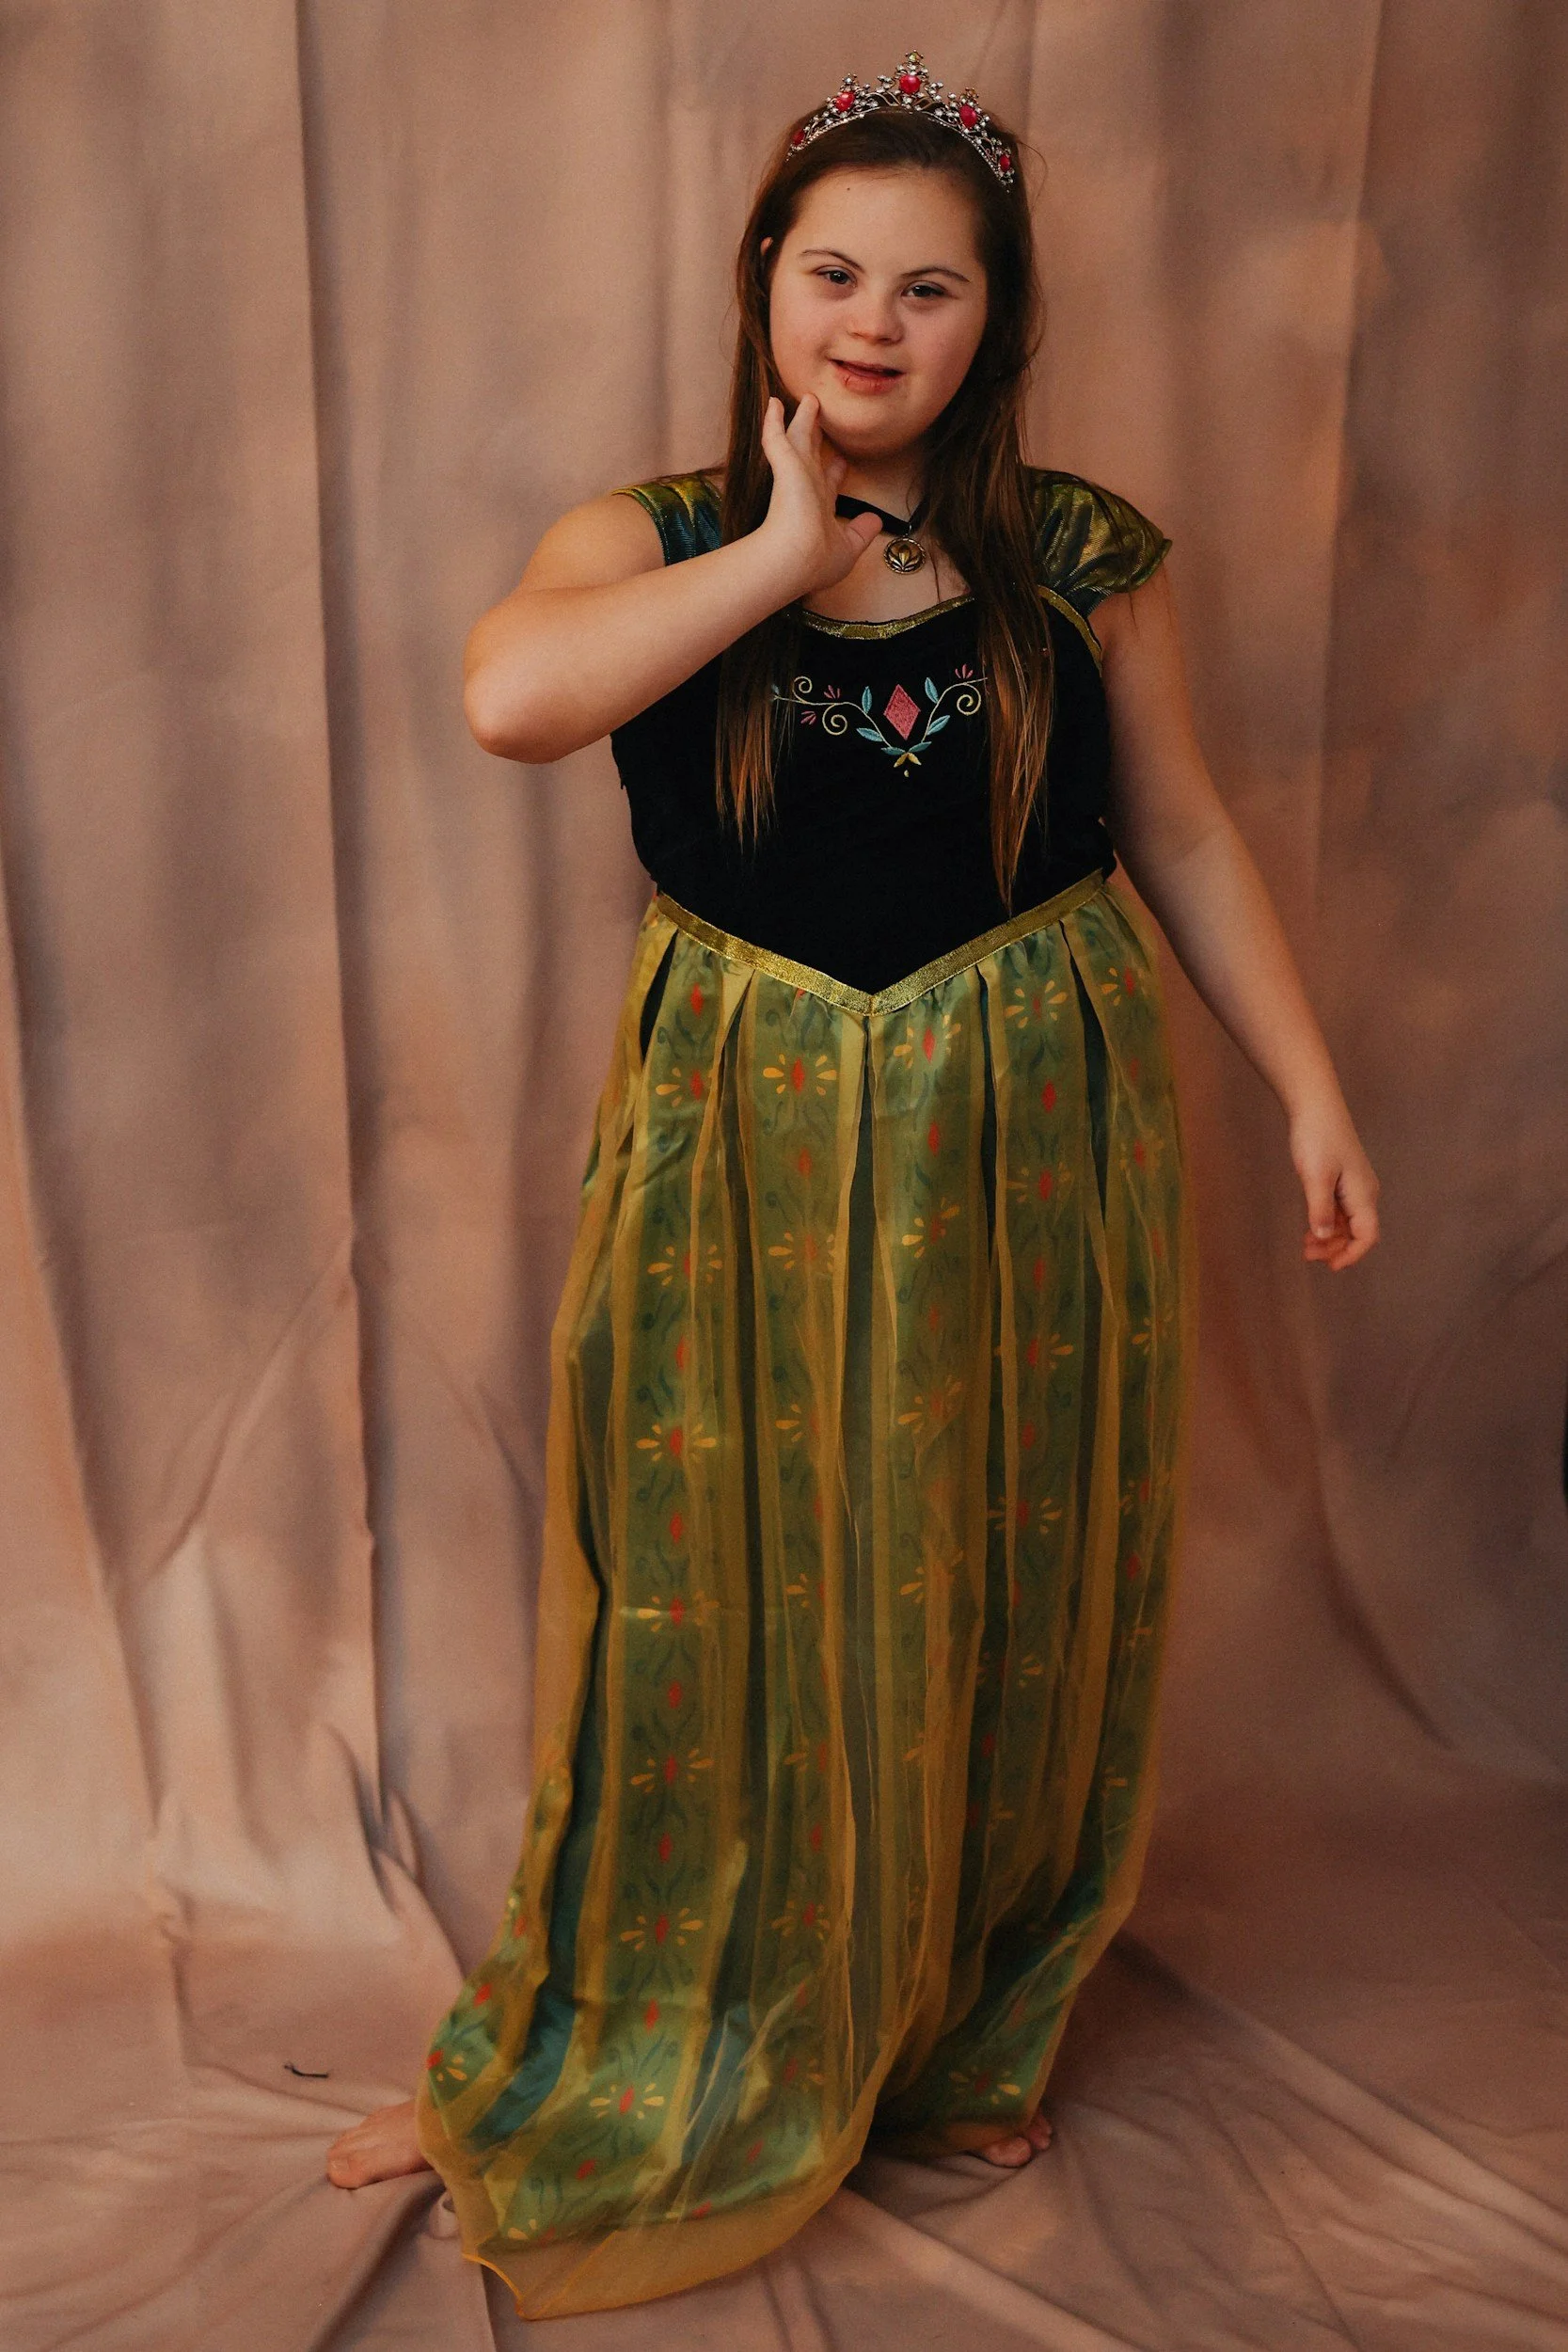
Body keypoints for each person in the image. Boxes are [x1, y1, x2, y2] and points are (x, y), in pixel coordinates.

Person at [324, 52, 1379, 2320]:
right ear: (764, 290)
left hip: (1032, 1112)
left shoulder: (1076, 555)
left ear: (994, 324)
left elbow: (1175, 828)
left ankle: (964, 2017)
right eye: (832, 275)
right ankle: (666, 2006)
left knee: (1003, 1558)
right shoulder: (653, 537)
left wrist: (1303, 1085)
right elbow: (515, 697)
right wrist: (791, 558)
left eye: (928, 287)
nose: (872, 324)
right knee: (722, 1568)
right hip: (752, 1135)